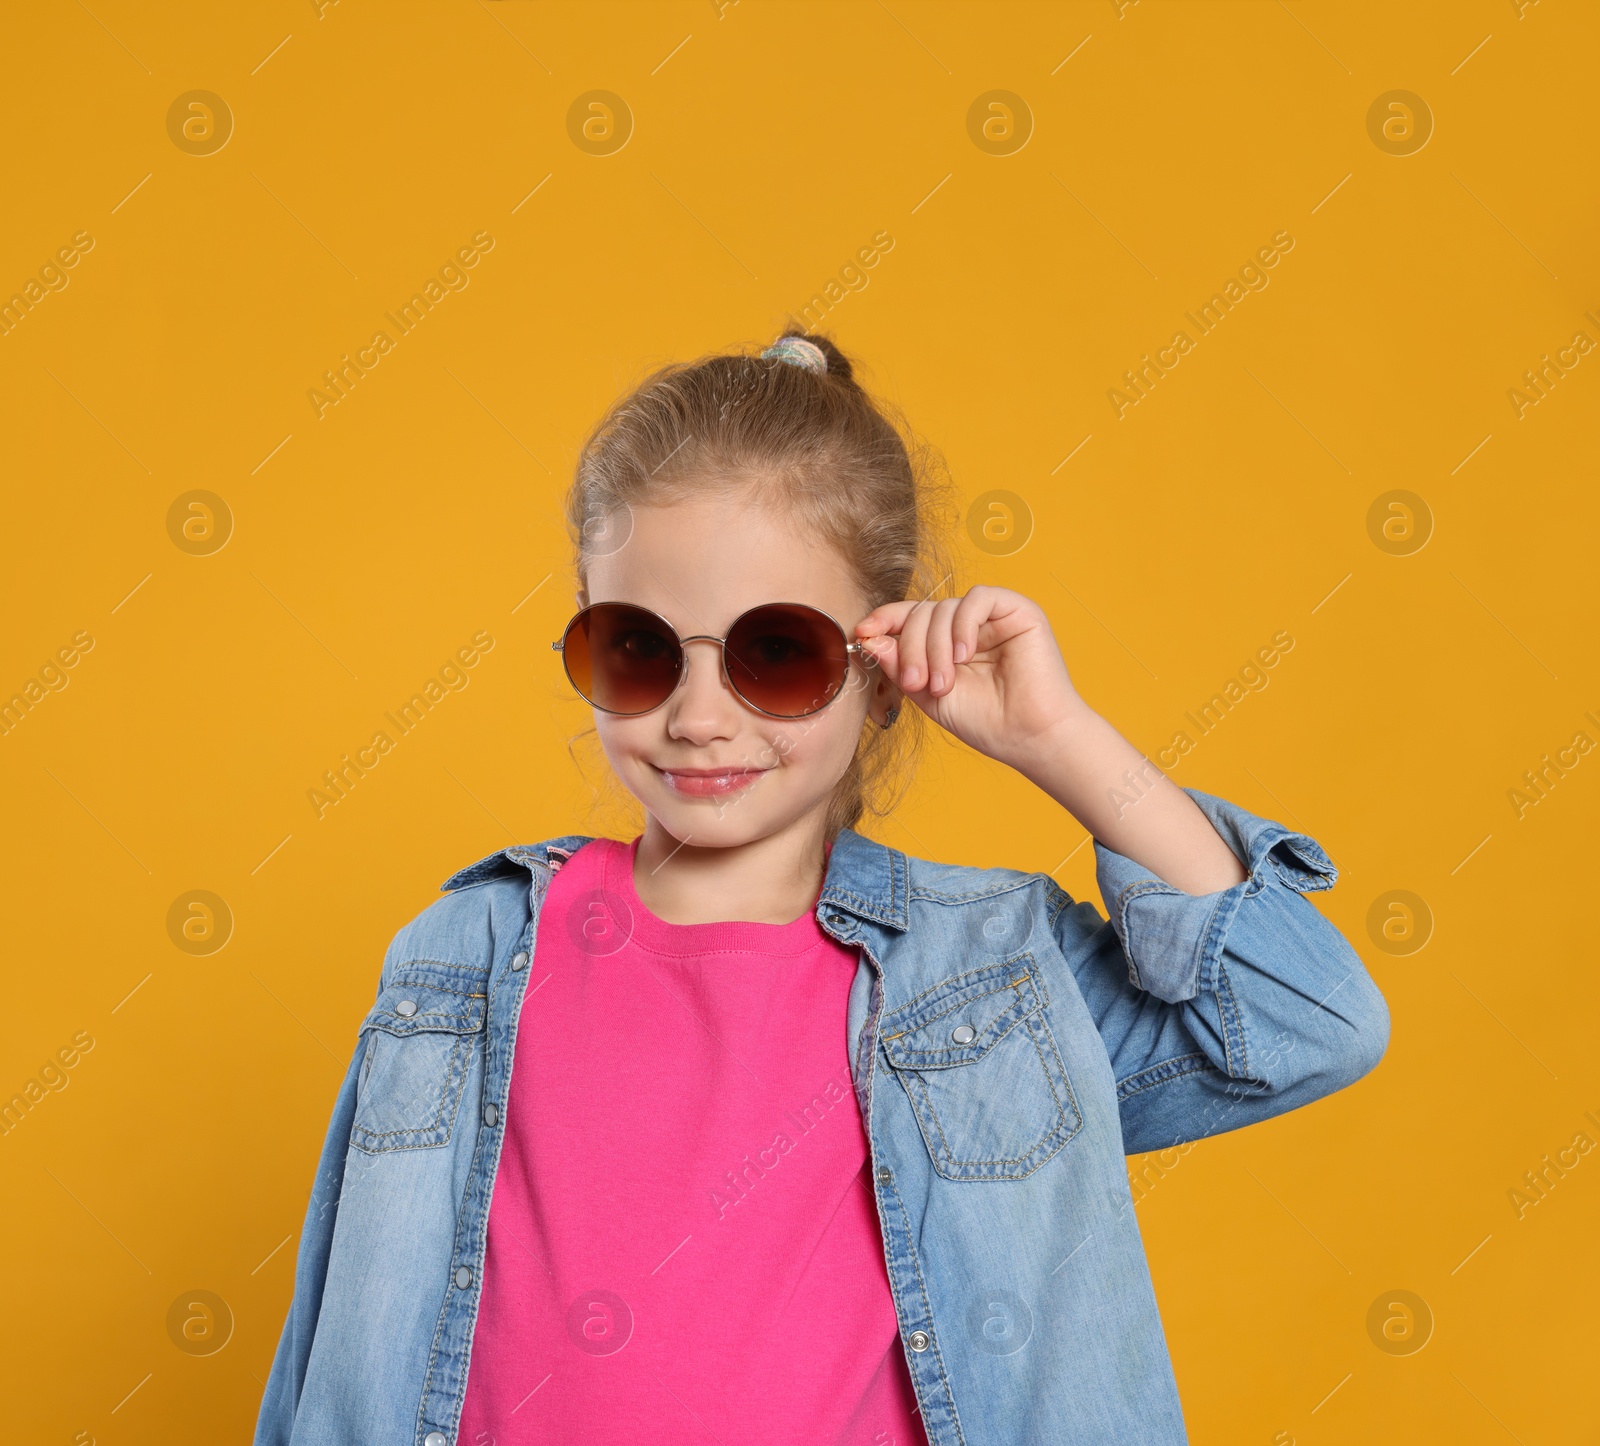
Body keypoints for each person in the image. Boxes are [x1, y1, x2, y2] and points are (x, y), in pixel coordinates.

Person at [254, 330, 1389, 1446]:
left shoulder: (989, 979)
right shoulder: (462, 956)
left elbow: (1304, 1018)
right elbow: (329, 1344)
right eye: (640, 650)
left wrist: (1059, 739)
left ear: (882, 671)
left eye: (776, 653)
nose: (698, 718)